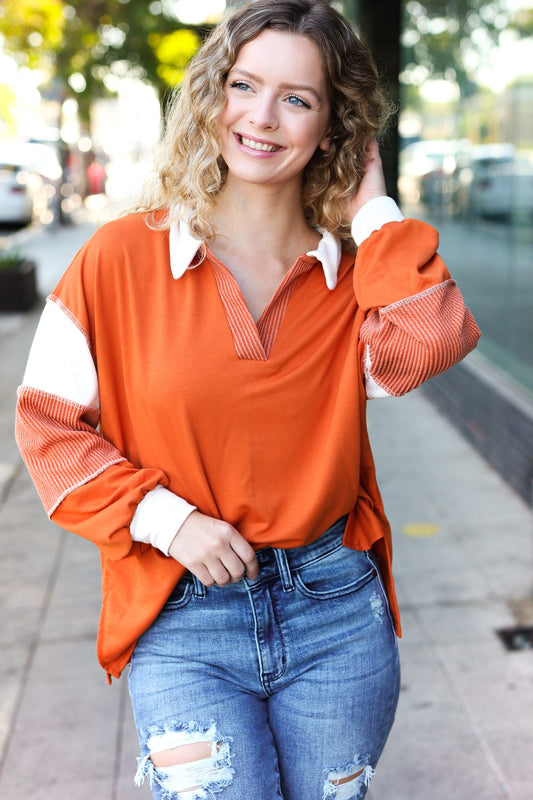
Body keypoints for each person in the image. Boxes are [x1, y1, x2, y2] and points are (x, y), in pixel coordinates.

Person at [15, 1, 481, 798]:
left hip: (336, 608)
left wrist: (373, 211)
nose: (261, 118)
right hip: (181, 613)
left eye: (297, 99)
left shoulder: (353, 277)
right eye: (243, 85)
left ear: (335, 127)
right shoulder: (121, 258)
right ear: (212, 96)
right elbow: (48, 429)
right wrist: (169, 521)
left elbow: (423, 346)